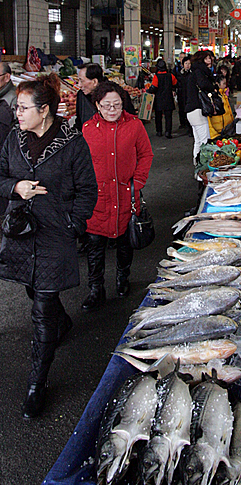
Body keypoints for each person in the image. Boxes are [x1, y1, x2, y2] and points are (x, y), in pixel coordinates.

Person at [0, 73, 97, 418]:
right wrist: (16, 188)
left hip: (56, 234)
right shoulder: (14, 139)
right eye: (17, 108)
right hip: (21, 234)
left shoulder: (73, 143)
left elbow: (88, 190)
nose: (18, 113)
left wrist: (74, 223)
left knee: (40, 309)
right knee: (35, 290)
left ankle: (35, 386)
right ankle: (63, 321)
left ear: (44, 110)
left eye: (23, 108)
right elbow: (0, 177)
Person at [82, 81, 153, 312]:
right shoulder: (87, 129)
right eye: (107, 105)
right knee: (95, 246)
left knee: (125, 242)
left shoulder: (134, 125)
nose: (112, 110)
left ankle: (123, 279)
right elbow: (79, 165)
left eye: (117, 105)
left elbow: (146, 154)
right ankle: (96, 289)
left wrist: (138, 181)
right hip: (97, 198)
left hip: (126, 195)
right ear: (97, 105)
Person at [76, 63, 136, 131]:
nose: (79, 85)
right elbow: (79, 122)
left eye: (82, 81)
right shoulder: (81, 95)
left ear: (95, 81)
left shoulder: (119, 94)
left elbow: (131, 122)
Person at [185, 50, 219, 164]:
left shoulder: (193, 71)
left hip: (191, 110)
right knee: (204, 141)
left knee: (198, 141)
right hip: (197, 110)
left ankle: (197, 166)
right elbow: (203, 84)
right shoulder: (199, 72)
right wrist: (213, 87)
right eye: (208, 58)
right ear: (202, 59)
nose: (211, 60)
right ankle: (203, 167)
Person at [150, 58, 177, 138]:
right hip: (168, 98)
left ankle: (159, 131)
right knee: (168, 117)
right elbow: (175, 83)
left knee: (158, 116)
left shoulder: (156, 77)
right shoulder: (170, 76)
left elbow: (154, 87)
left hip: (159, 99)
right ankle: (168, 132)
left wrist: (148, 91)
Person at [208, 74, 234, 139]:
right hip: (219, 131)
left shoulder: (223, 95)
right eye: (223, 83)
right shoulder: (213, 96)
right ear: (217, 84)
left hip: (227, 129)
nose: (225, 85)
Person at [174, 55, 191, 129]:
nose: (187, 65)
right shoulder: (179, 73)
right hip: (181, 94)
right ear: (183, 64)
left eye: (189, 63)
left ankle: (189, 124)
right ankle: (182, 123)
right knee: (181, 109)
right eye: (186, 63)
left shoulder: (192, 74)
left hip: (189, 95)